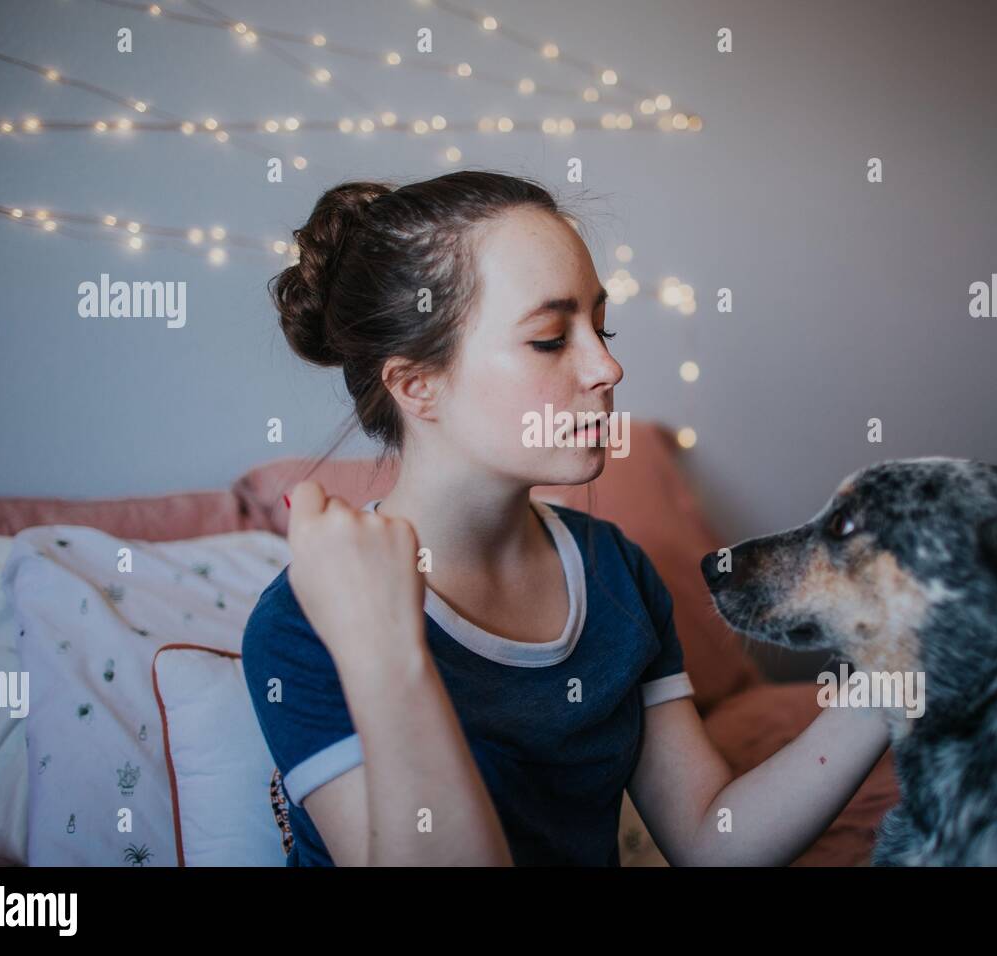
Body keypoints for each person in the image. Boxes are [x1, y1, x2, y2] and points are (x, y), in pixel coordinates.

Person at [240, 170, 891, 865]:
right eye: (551, 339)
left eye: (601, 327)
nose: (608, 367)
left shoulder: (613, 569)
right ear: (417, 385)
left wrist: (893, 682)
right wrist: (385, 651)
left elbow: (710, 839)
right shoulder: (301, 630)